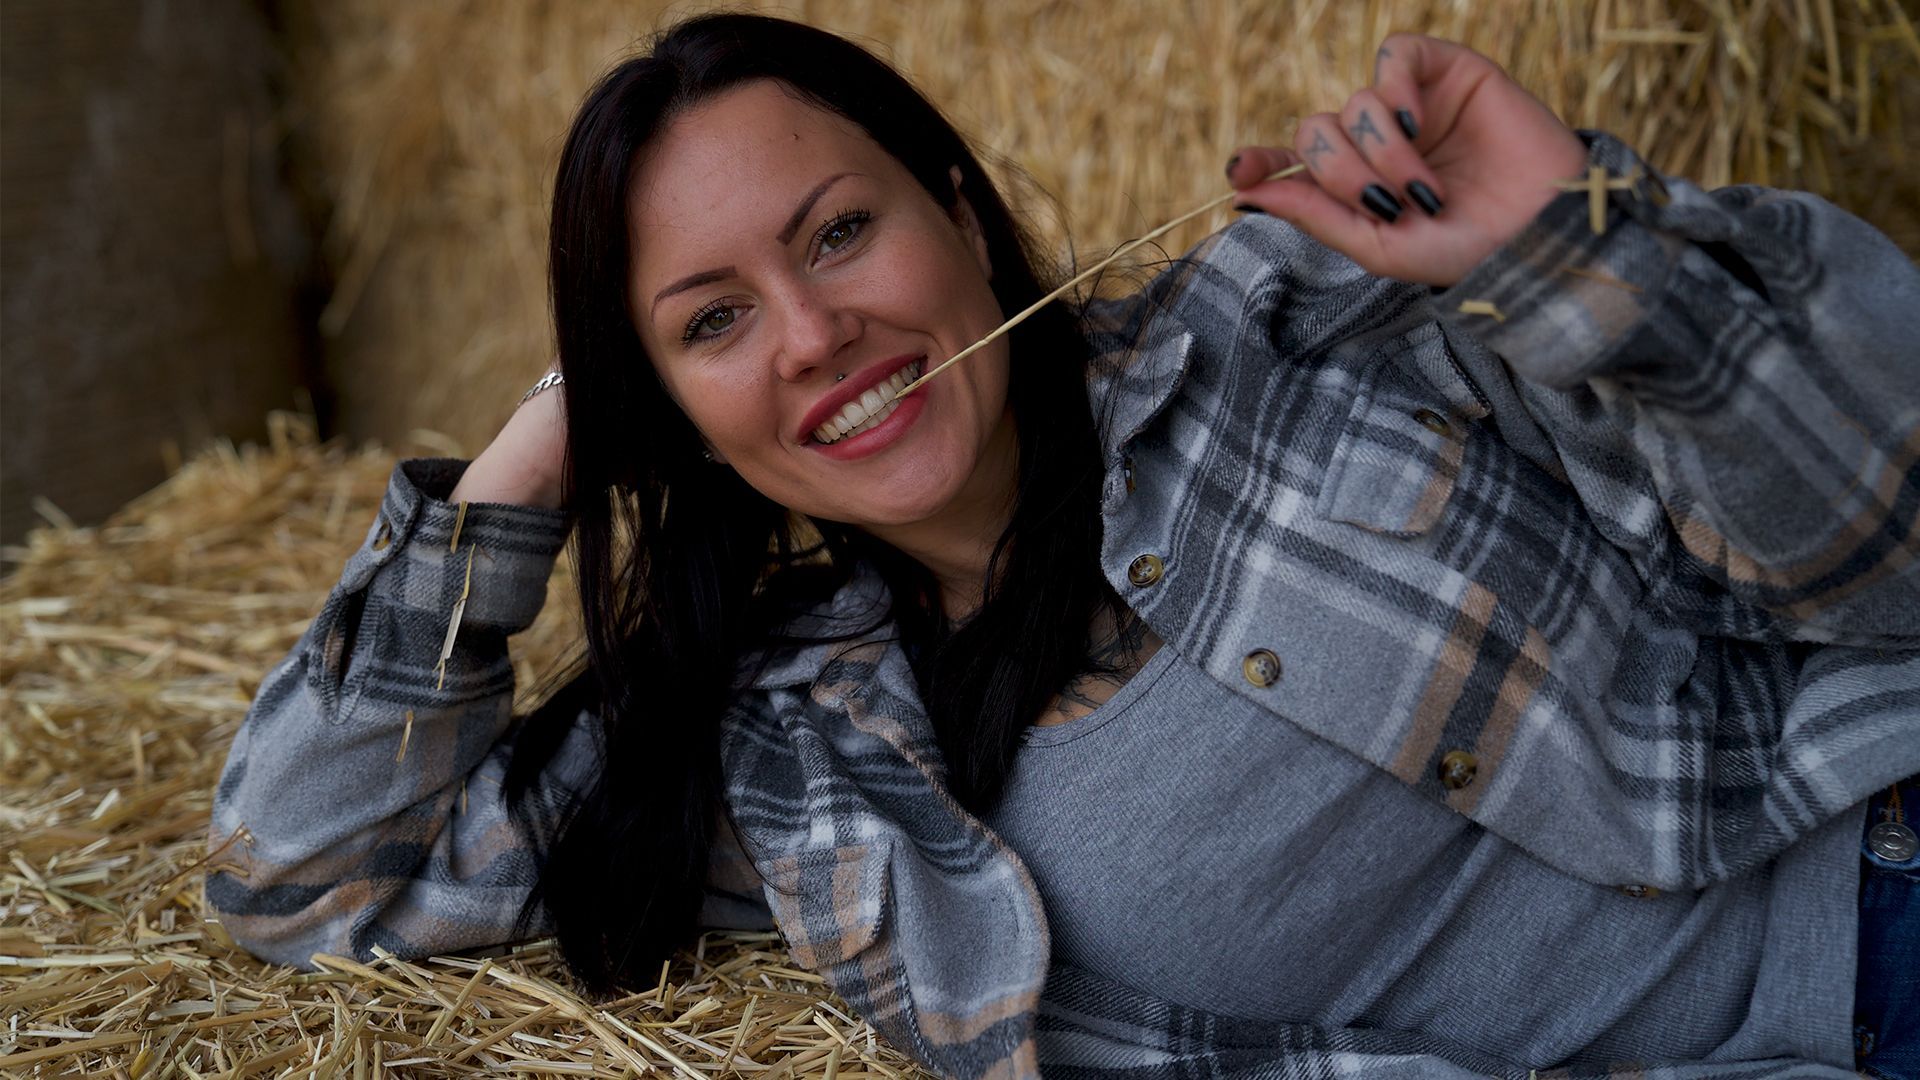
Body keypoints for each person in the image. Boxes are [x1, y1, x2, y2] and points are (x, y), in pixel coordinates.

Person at [206, 12, 1920, 1080]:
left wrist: (1585, 262)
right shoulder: (789, 761)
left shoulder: (1291, 323)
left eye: (843, 231)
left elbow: (1884, 547)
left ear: (956, 210)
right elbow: (302, 879)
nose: (814, 333)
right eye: (715, 320)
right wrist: (549, 437)